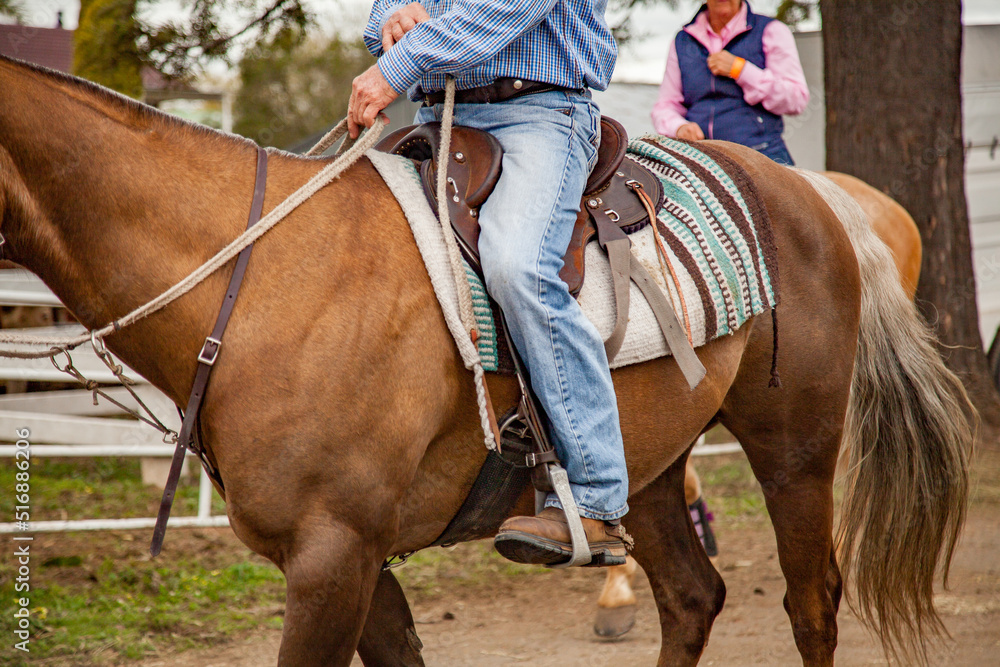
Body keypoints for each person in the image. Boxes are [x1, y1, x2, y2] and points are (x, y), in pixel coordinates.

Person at [350, 1, 630, 566]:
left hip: (539, 112)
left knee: (517, 267)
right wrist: (393, 20)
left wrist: (396, 66)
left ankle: (597, 500)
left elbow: (502, 12)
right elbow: (385, 11)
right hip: (440, 115)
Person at [651, 0, 809, 165]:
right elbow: (664, 106)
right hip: (701, 161)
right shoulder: (682, 41)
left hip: (763, 158)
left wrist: (741, 70)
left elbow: (796, 99)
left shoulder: (772, 31)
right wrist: (678, 127)